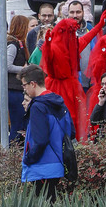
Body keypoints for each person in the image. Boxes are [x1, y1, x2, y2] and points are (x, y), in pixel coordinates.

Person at [41, 9, 106, 141]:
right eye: (71, 32)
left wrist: (100, 25)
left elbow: (88, 37)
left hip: (69, 86)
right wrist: (47, 45)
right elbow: (48, 61)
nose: (73, 35)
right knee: (63, 117)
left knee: (75, 117)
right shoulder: (58, 47)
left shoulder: (73, 45)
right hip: (58, 88)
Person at [19, 64, 74, 203]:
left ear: (33, 84)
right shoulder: (58, 101)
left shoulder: (38, 106)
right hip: (58, 163)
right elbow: (71, 132)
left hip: (41, 166)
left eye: (24, 85)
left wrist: (27, 158)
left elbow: (40, 140)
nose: (24, 88)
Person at [6, 15, 30, 142]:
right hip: (13, 89)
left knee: (19, 124)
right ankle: (12, 151)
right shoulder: (13, 45)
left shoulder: (19, 44)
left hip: (17, 88)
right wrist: (23, 69)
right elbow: (7, 65)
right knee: (17, 124)